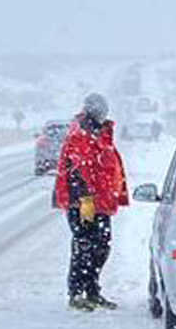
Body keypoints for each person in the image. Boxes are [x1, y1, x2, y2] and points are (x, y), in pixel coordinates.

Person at [54, 93, 129, 310]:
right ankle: (76, 293)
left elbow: (105, 167)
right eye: (100, 110)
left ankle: (92, 290)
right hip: (83, 204)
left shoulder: (102, 134)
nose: (103, 114)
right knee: (84, 247)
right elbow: (76, 169)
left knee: (101, 247)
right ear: (92, 110)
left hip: (101, 203)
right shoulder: (80, 135)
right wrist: (84, 199)